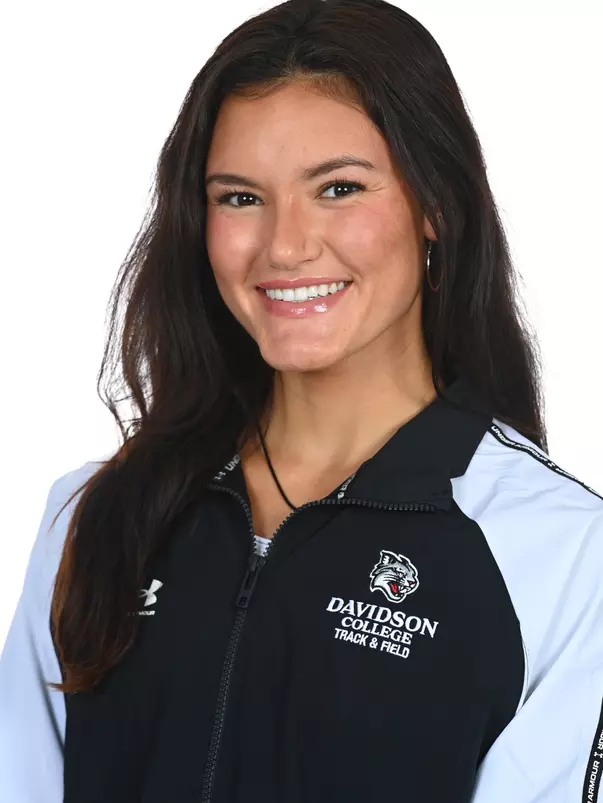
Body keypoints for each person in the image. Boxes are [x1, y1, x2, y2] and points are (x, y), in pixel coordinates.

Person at [1, 0, 603, 800]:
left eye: (338, 188)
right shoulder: (95, 513)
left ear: (434, 207)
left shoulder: (563, 557)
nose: (283, 246)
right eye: (239, 197)